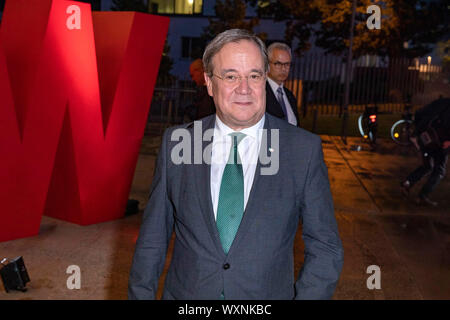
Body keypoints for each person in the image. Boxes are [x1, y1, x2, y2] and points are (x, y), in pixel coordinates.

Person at [128, 29, 343, 300]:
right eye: (230, 76)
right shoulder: (178, 143)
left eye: (254, 75)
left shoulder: (302, 150)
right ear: (209, 82)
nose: (244, 88)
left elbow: (325, 248)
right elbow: (152, 241)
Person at [401, 97, 450, 206]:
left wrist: (418, 131)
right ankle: (423, 196)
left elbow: (419, 113)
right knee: (439, 170)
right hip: (440, 144)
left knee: (427, 165)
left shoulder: (441, 102)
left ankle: (408, 182)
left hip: (426, 138)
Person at [265, 42, 300, 127]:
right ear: (267, 64)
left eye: (287, 64)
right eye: (278, 64)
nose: (283, 68)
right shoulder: (259, 92)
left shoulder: (290, 96)